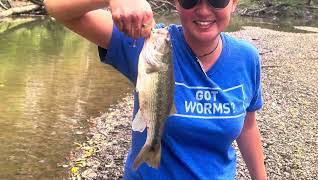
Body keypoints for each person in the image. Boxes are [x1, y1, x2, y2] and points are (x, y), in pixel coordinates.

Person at [44, 0, 267, 179]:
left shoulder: (246, 58)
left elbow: (248, 127)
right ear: (177, 3)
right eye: (190, 1)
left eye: (217, 1)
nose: (203, 9)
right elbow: (56, 7)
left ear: (234, 3)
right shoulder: (144, 41)